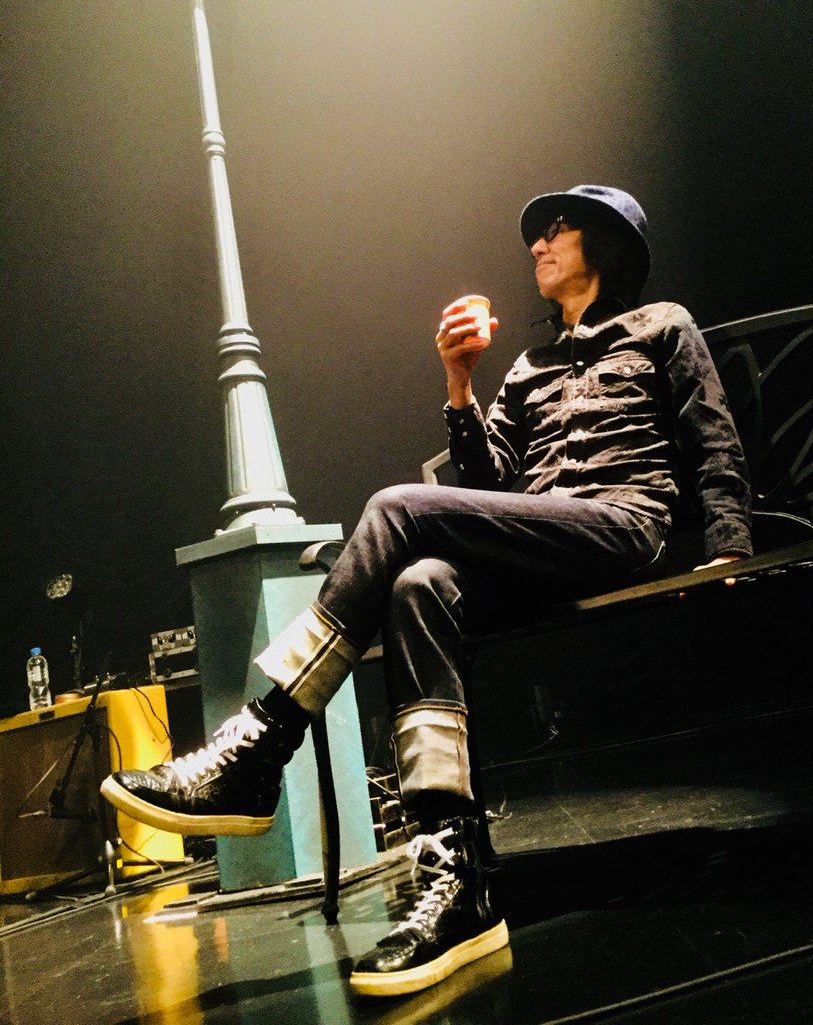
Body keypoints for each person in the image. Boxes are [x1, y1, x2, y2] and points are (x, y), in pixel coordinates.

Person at [102, 184, 752, 997]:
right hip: (543, 544)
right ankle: (458, 876)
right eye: (538, 234)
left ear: (609, 242)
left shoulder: (663, 325)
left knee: (397, 508)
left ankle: (261, 743)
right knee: (420, 585)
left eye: (558, 229)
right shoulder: (529, 366)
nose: (538, 244)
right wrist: (459, 383)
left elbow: (713, 440)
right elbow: (488, 484)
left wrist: (728, 551)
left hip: (623, 526)